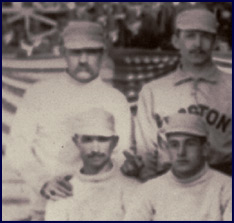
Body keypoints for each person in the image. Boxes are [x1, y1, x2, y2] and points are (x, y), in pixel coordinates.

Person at [7, 21, 131, 220]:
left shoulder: (115, 100)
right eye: (75, 52)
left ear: (103, 53)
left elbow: (122, 153)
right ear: (64, 53)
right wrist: (43, 182)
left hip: (102, 210)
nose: (83, 59)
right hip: (46, 206)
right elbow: (17, 148)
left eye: (91, 52)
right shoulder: (39, 94)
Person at [122, 7, 232, 180]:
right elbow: (147, 154)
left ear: (215, 41)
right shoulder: (154, 91)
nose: (197, 43)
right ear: (175, 41)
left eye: (205, 36)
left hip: (224, 178)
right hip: (169, 181)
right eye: (190, 36)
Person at [124, 113, 232, 221]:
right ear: (167, 149)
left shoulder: (226, 189)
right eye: (174, 145)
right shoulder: (148, 191)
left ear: (205, 149)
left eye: (190, 144)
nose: (181, 152)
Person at [45, 108, 138, 221]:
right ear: (76, 142)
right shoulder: (63, 191)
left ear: (114, 142)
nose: (95, 149)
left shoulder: (132, 188)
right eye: (88, 140)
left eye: (102, 139)